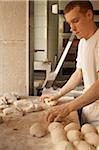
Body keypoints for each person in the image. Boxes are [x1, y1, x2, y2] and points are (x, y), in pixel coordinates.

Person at [40, 1, 99, 125]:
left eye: (76, 21)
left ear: (89, 15)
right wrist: (58, 94)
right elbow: (79, 74)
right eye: (69, 23)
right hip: (88, 112)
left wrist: (68, 107)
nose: (72, 28)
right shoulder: (83, 42)